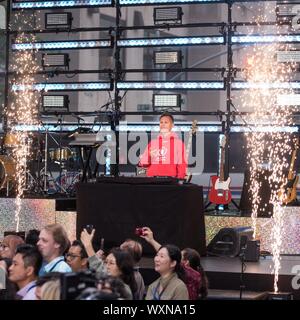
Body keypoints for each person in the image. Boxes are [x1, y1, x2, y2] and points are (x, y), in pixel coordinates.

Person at [139, 112, 187, 179]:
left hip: (170, 181)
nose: (163, 124)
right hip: (152, 179)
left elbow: (182, 164)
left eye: (166, 122)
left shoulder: (179, 143)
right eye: (161, 122)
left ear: (172, 125)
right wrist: (149, 156)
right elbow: (142, 164)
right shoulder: (153, 143)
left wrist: (180, 180)